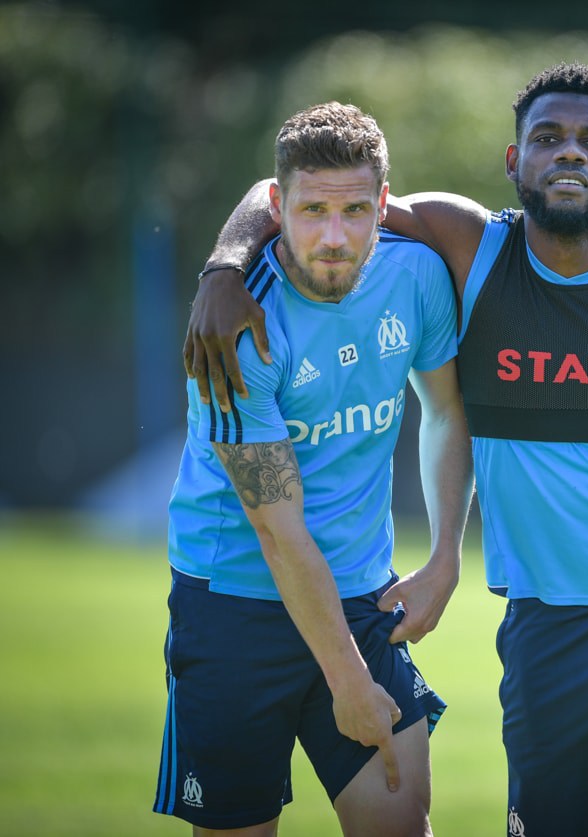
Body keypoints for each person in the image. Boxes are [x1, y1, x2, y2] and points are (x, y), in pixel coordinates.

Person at [186, 63, 588, 837]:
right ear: (513, 161)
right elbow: (302, 191)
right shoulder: (468, 246)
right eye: (548, 137)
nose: (570, 153)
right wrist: (224, 268)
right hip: (545, 636)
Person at [158, 101, 473, 836]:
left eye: (357, 211)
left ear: (384, 206)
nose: (334, 237)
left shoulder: (418, 276)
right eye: (312, 212)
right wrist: (350, 683)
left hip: (362, 593)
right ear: (276, 206)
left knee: (402, 822)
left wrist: (446, 558)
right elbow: (279, 530)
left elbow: (449, 410)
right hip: (235, 603)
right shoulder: (237, 330)